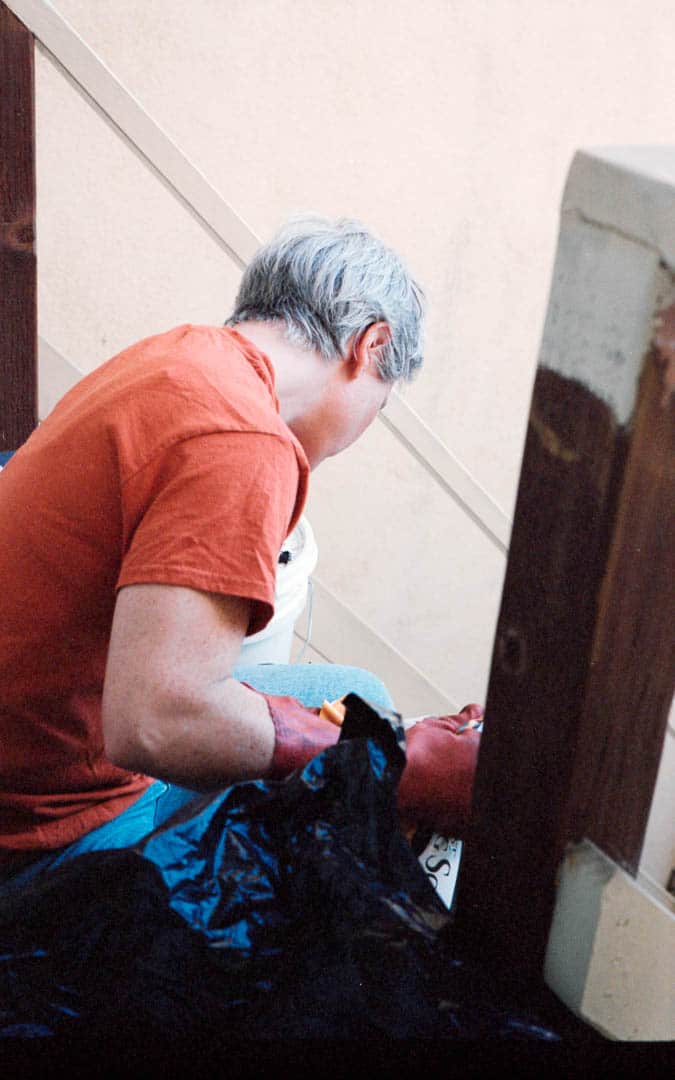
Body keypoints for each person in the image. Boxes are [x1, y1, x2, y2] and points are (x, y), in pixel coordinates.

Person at [0, 214, 482, 894]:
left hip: (45, 736)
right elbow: (156, 726)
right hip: (35, 824)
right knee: (320, 869)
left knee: (356, 698)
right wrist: (399, 770)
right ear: (371, 346)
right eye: (382, 400)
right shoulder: (241, 436)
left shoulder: (179, 354)